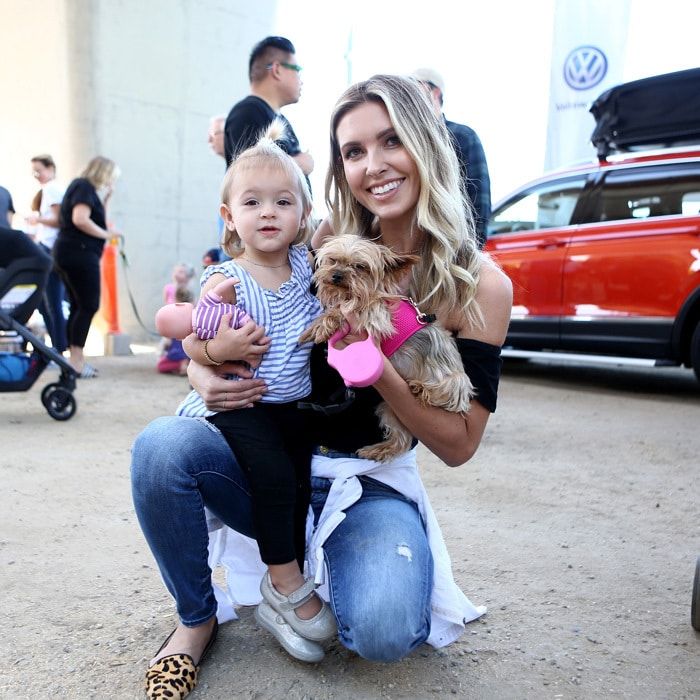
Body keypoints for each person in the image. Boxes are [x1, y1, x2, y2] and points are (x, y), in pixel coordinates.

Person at [131, 74, 512, 700]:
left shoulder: (480, 286)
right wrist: (203, 366)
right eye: (353, 152)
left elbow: (460, 444)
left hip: (365, 482)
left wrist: (380, 371)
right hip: (271, 464)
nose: (375, 166)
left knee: (384, 631)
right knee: (160, 448)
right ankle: (196, 620)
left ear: (428, 144)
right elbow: (236, 307)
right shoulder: (320, 238)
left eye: (392, 141)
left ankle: (329, 569)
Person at [53, 156, 121, 377]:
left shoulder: (85, 190)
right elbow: (80, 219)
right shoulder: (83, 186)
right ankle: (75, 361)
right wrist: (106, 235)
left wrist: (108, 199)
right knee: (88, 304)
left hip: (71, 252)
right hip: (78, 253)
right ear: (103, 172)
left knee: (78, 305)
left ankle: (75, 361)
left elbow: (98, 220)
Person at [413, 68, 492, 248]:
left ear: (435, 92)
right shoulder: (403, 140)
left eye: (414, 86)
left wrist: (469, 254)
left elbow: (479, 202)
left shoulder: (463, 136)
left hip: (450, 249)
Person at [223, 35, 313, 185]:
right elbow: (250, 176)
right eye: (297, 69)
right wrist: (298, 164)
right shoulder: (248, 112)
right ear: (277, 70)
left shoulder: (279, 119)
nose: (300, 80)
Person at [25, 154, 67, 353]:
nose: (36, 175)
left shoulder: (52, 189)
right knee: (46, 304)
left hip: (49, 250)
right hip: (48, 249)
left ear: (50, 168)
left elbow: (60, 221)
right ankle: (57, 347)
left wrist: (37, 220)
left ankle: (58, 348)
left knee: (52, 303)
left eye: (39, 170)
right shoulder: (49, 190)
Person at [157, 286, 193, 376]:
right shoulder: (192, 314)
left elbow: (167, 343)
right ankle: (186, 365)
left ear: (175, 299)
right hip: (190, 354)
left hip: (176, 353)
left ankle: (181, 365)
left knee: (161, 365)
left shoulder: (172, 316)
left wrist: (161, 352)